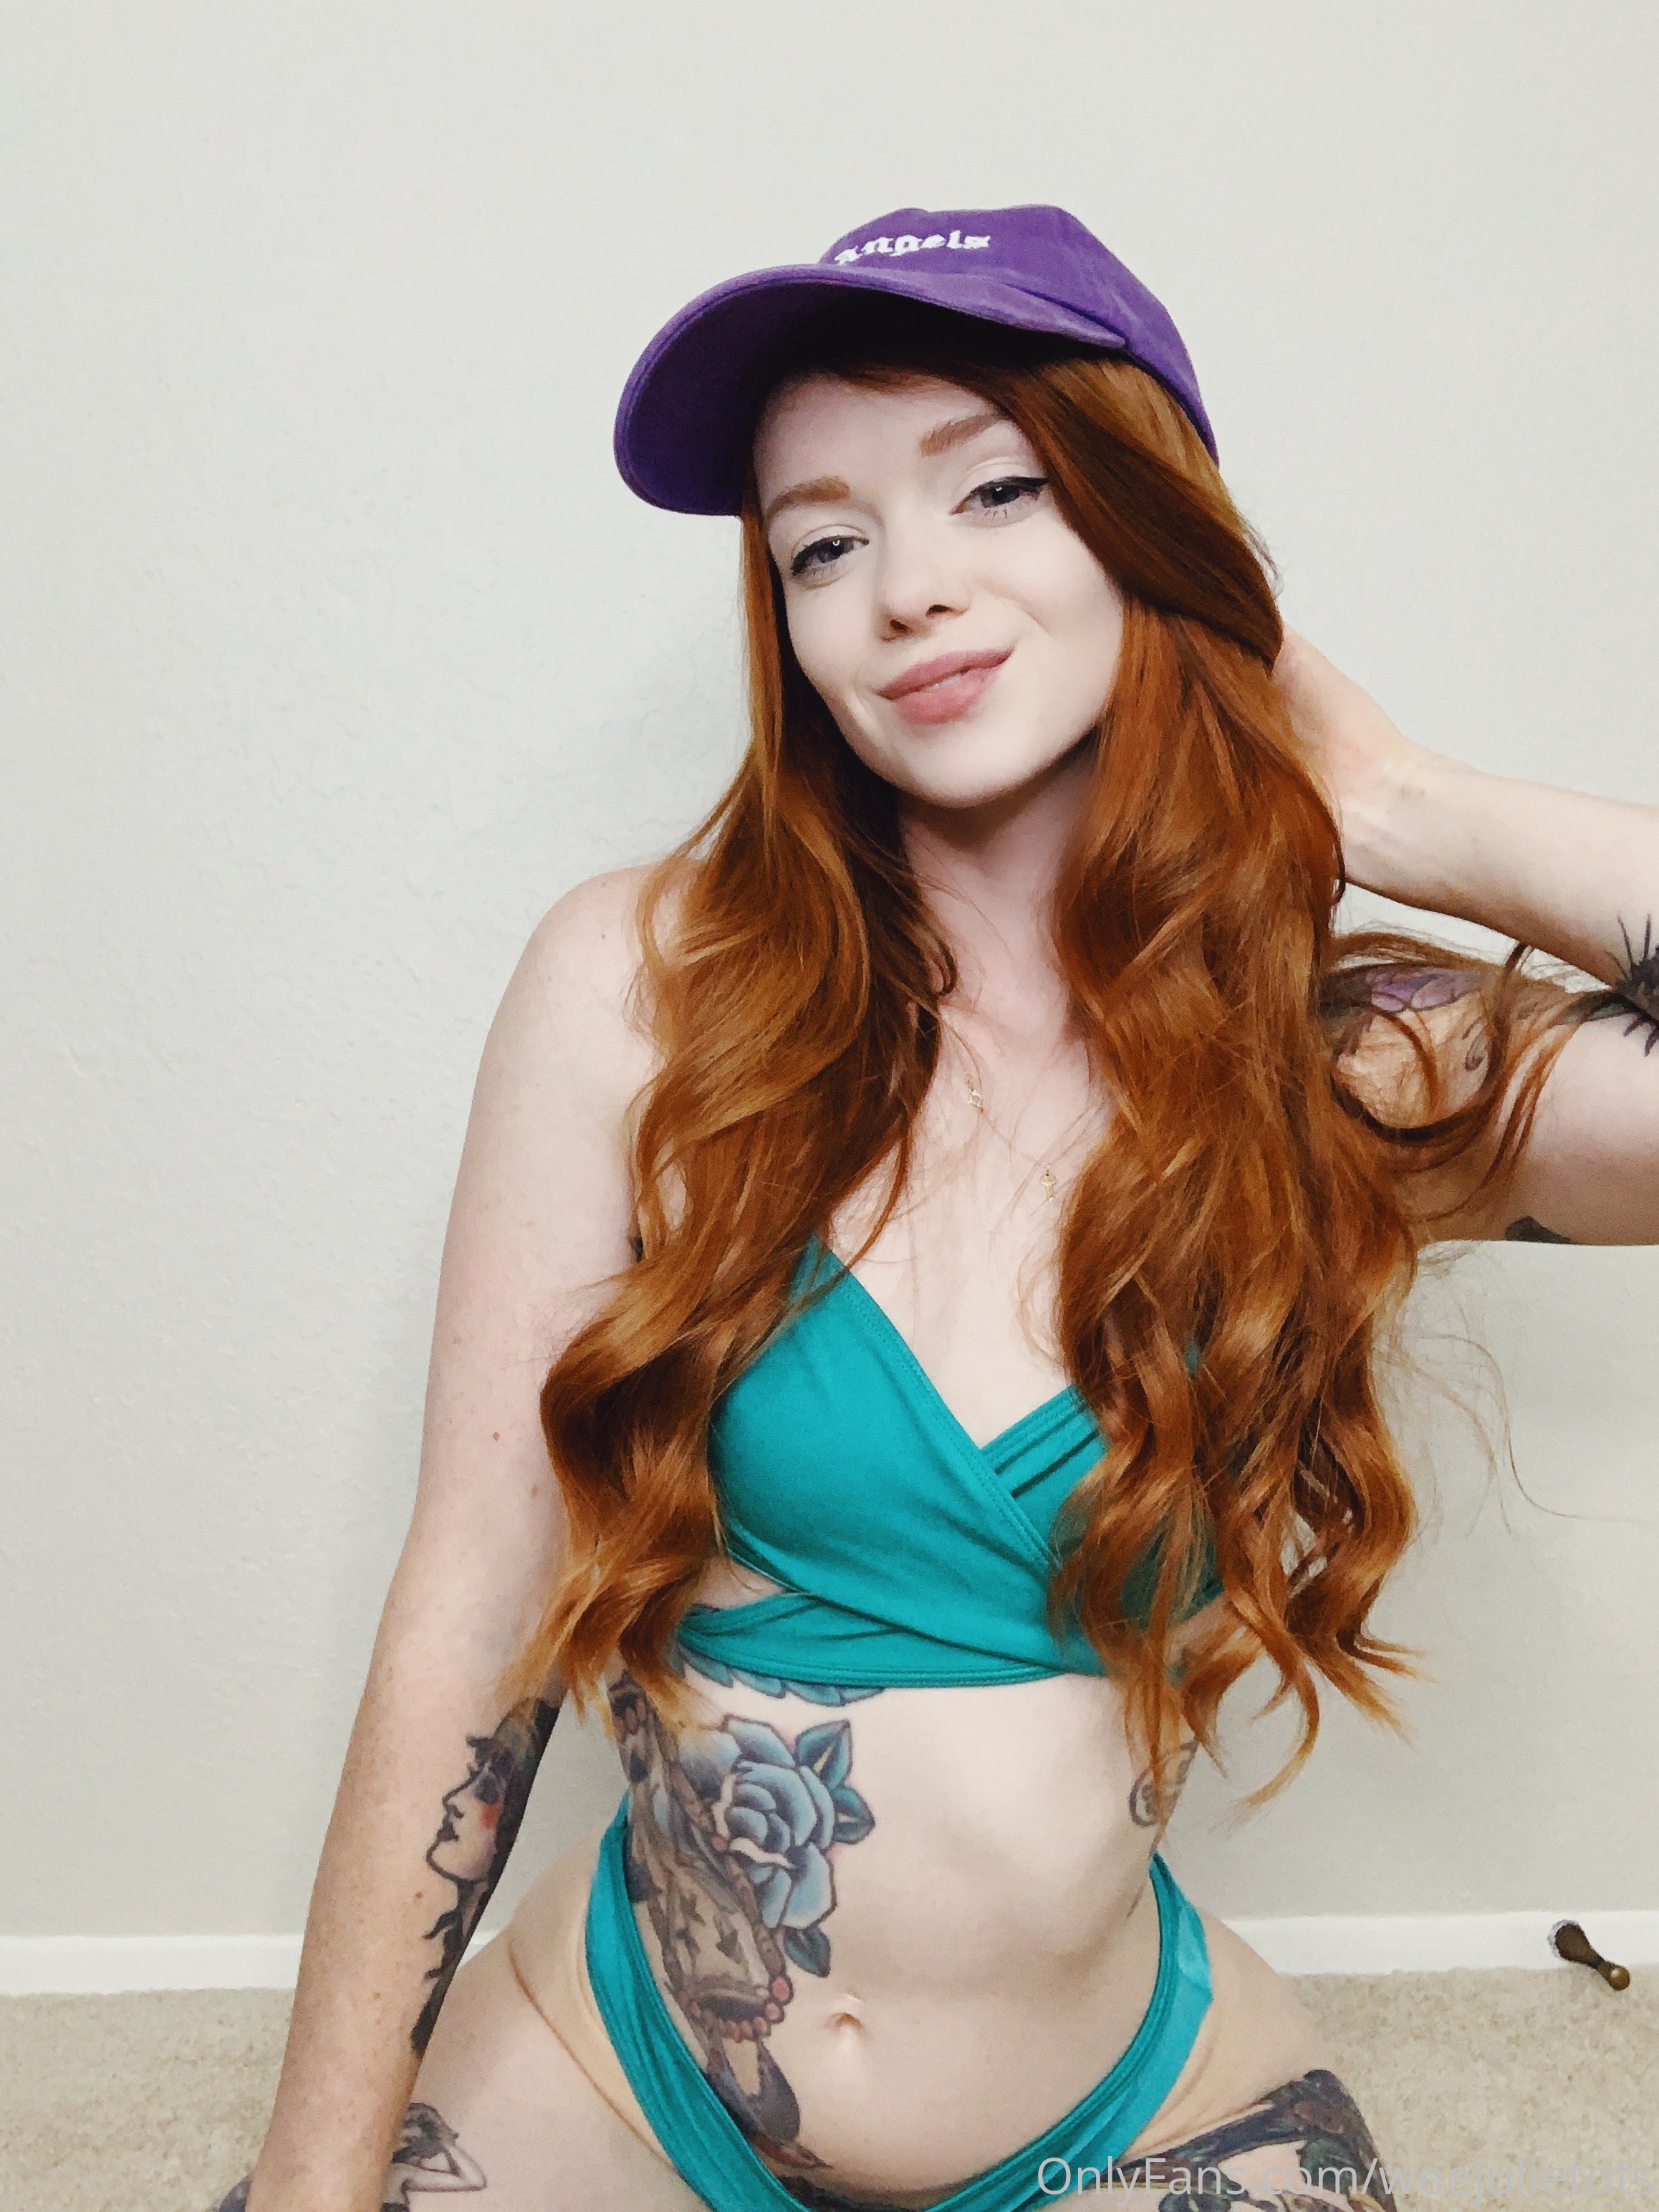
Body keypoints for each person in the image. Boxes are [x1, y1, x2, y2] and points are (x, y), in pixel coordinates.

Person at [220, 204, 1659, 2212]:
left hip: (1125, 2112)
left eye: (994, 489)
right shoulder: (636, 990)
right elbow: (472, 1605)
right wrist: (308, 2190)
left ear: (1140, 526)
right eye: (822, 544)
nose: (906, 588)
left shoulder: (1337, 1057)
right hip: (616, 2064)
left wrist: (1412, 805)